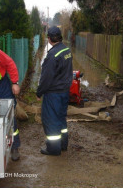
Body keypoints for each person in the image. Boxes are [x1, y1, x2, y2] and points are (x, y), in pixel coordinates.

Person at [36, 26, 73, 156]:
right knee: (61, 119)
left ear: (49, 39)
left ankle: (53, 149)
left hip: (53, 94)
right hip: (64, 92)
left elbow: (46, 78)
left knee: (51, 120)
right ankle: (63, 145)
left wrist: (39, 92)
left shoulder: (52, 55)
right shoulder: (66, 50)